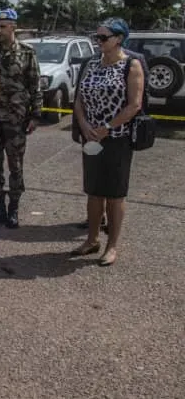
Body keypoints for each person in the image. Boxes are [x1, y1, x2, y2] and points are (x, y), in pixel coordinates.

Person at [71, 18, 143, 266]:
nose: (98, 41)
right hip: (91, 137)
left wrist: (107, 127)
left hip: (117, 139)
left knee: (114, 195)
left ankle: (112, 245)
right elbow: (79, 98)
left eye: (103, 37)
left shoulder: (131, 66)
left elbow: (135, 104)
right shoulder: (91, 64)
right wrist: (84, 125)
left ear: (119, 39)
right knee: (93, 192)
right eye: (97, 37)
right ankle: (91, 240)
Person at [0, 9, 42, 229]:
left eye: (3, 26)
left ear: (14, 27)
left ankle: (14, 209)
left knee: (15, 166)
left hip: (16, 119)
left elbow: (35, 84)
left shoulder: (27, 52)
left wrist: (35, 115)